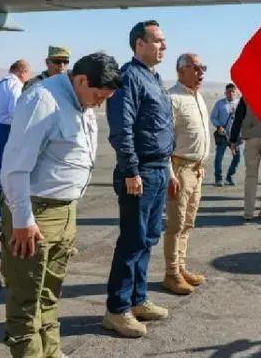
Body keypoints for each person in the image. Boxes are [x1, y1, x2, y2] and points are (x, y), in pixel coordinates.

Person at [0, 52, 120, 358]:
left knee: (50, 294)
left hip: (64, 212)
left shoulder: (82, 102)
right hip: (35, 214)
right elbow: (14, 168)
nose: (99, 104)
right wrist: (22, 220)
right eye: (98, 96)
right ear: (81, 80)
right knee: (26, 298)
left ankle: (51, 352)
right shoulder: (43, 100)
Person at [104, 20, 174, 338]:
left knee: (147, 239)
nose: (164, 46)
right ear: (139, 44)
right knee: (132, 241)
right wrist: (131, 170)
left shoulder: (154, 78)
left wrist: (168, 168)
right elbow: (122, 129)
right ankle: (117, 309)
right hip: (140, 171)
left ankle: (138, 299)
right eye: (158, 40)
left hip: (158, 169)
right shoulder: (129, 77)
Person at [163, 53, 211, 296]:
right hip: (179, 169)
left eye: (203, 68)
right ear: (181, 71)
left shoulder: (198, 97)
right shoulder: (172, 98)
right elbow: (164, 140)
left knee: (188, 223)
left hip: (196, 170)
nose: (201, 73)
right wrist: (170, 173)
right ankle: (171, 273)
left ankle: (181, 267)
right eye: (196, 68)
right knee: (176, 224)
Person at [0, 60, 32, 230]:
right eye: (28, 73)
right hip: (6, 129)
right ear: (22, 72)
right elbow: (16, 110)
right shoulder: (15, 85)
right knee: (5, 170)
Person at [229, 97, 261, 220]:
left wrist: (233, 139)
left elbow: (238, 118)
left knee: (251, 176)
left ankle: (248, 213)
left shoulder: (246, 96)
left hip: (251, 139)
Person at [210, 83, 241, 186]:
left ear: (236, 92)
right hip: (222, 135)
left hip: (235, 136)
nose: (230, 94)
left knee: (237, 157)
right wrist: (218, 126)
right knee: (219, 158)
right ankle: (218, 178)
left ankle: (229, 177)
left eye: (232, 92)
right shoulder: (219, 104)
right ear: (225, 93)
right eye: (228, 92)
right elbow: (213, 117)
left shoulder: (240, 104)